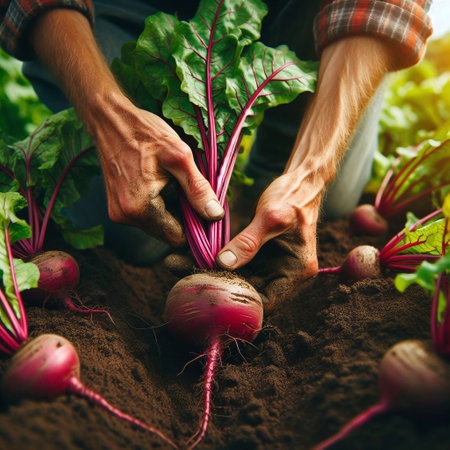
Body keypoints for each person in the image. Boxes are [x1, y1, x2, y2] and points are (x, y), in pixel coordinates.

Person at [0, 0, 433, 311]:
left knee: (331, 203)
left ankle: (264, 193)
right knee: (131, 229)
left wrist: (312, 172)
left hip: (304, 12)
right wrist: (108, 116)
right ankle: (214, 209)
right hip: (128, 7)